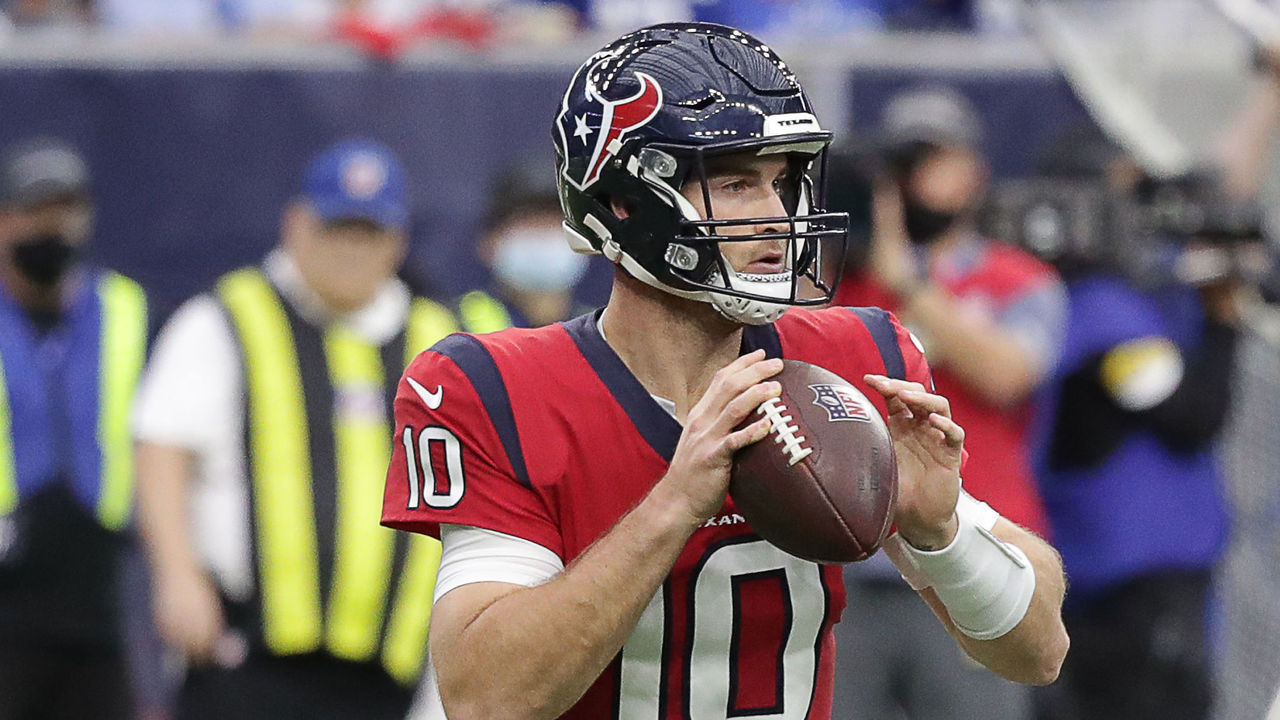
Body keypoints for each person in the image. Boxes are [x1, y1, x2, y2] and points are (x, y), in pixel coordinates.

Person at [381, 22, 1069, 720]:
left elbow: (1039, 651)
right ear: (624, 201)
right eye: (737, 183)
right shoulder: (496, 388)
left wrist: (942, 530)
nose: (775, 216)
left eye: (783, 182)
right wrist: (673, 506)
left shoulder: (851, 359)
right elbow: (485, 698)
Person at [133, 138, 458, 720]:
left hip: (387, 668)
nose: (351, 252)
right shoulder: (228, 316)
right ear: (296, 226)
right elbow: (162, 445)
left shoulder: (436, 338)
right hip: (245, 655)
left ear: (399, 241)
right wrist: (177, 574)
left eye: (369, 234)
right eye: (336, 230)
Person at [831, 86, 1067, 720]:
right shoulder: (837, 286)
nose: (919, 181)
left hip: (972, 553)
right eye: (906, 164)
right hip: (852, 566)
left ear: (977, 172)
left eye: (937, 159)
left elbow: (1005, 374)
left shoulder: (1018, 280)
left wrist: (904, 275)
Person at [1027, 127, 1239, 720]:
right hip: (1129, 583)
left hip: (1090, 576)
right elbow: (1193, 417)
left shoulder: (1058, 297)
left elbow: (1223, 202)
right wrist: (1224, 323)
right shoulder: (1103, 310)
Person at [0, 137, 149, 719]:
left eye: (66, 213)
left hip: (99, 590)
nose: (52, 229)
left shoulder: (123, 307)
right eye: (36, 213)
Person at [455, 160, 593, 333]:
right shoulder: (450, 327)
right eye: (528, 221)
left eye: (556, 222)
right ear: (489, 241)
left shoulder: (605, 335)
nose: (543, 237)